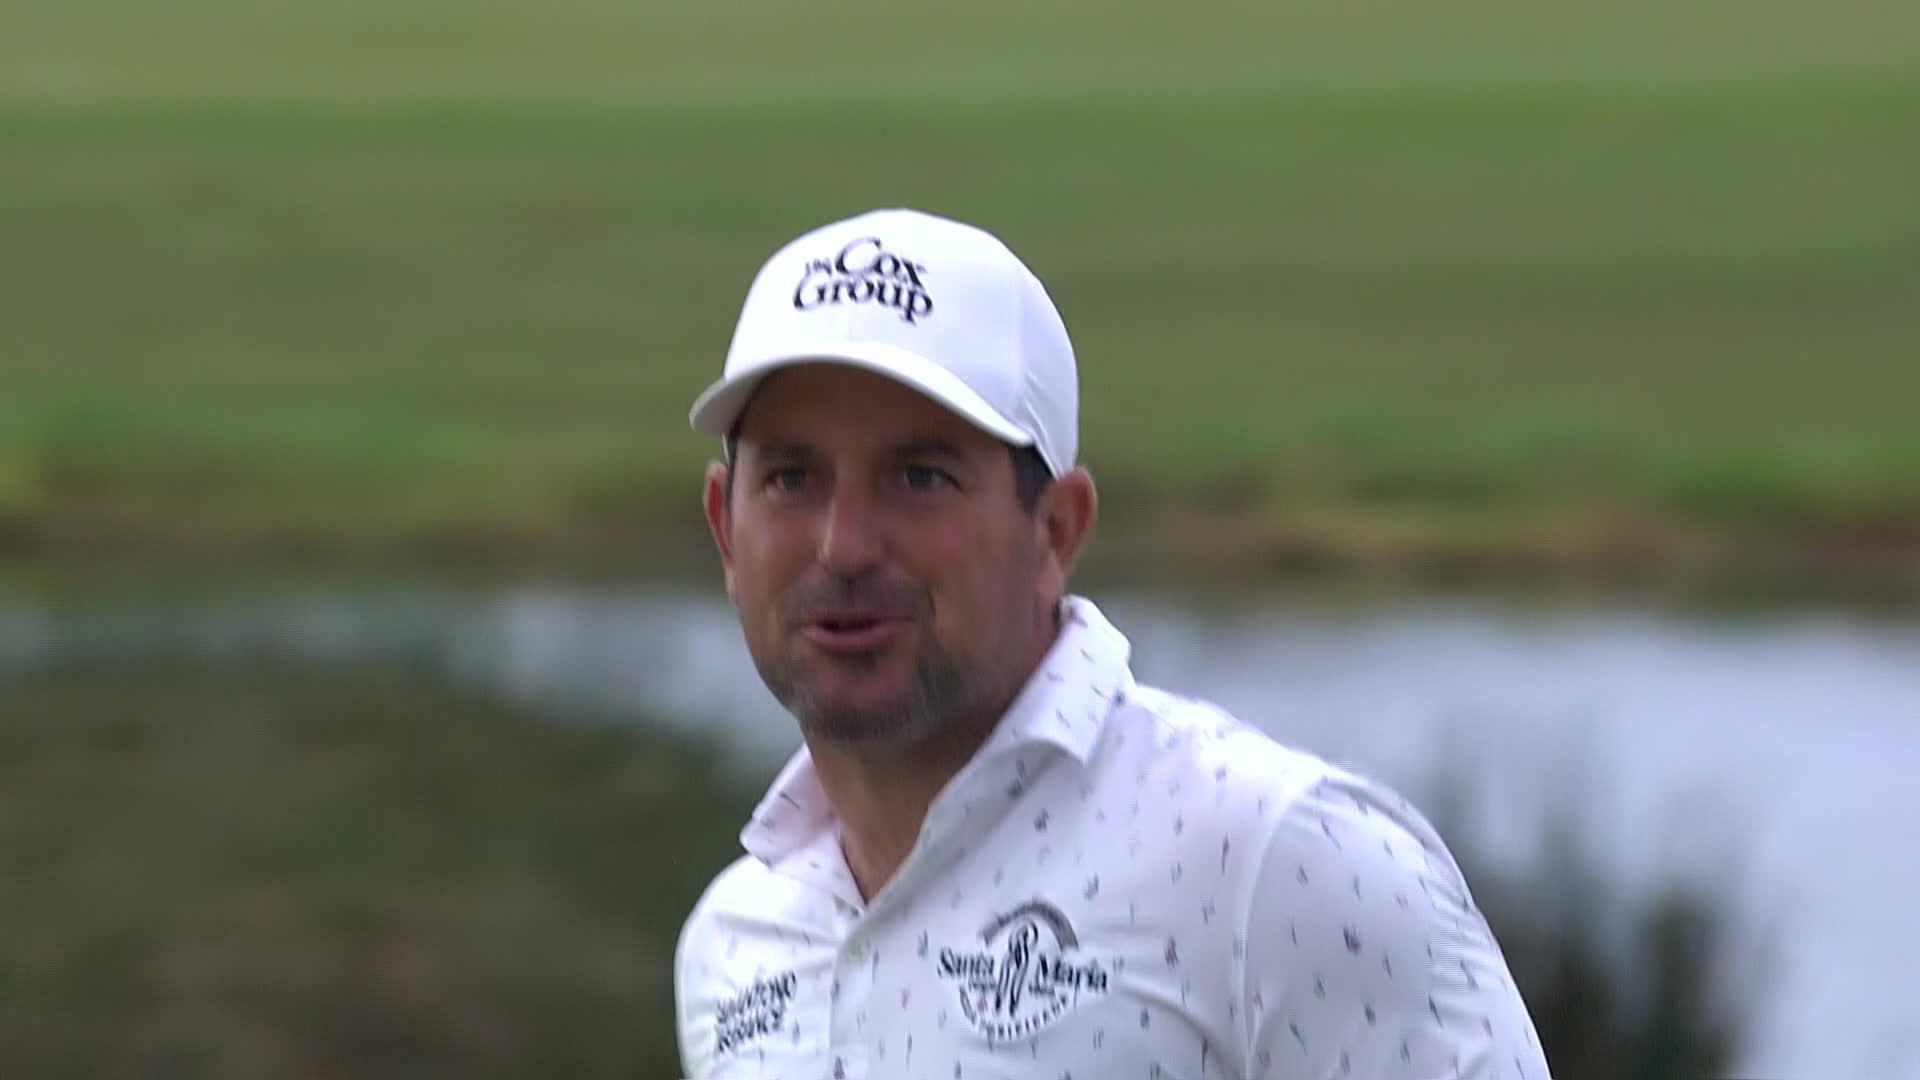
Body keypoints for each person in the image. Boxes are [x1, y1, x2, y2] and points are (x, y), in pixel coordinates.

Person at [674, 207, 1552, 1080]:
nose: (844, 545)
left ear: (1055, 530)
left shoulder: (1279, 862)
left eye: (919, 477)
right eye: (792, 478)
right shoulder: (735, 942)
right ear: (724, 529)